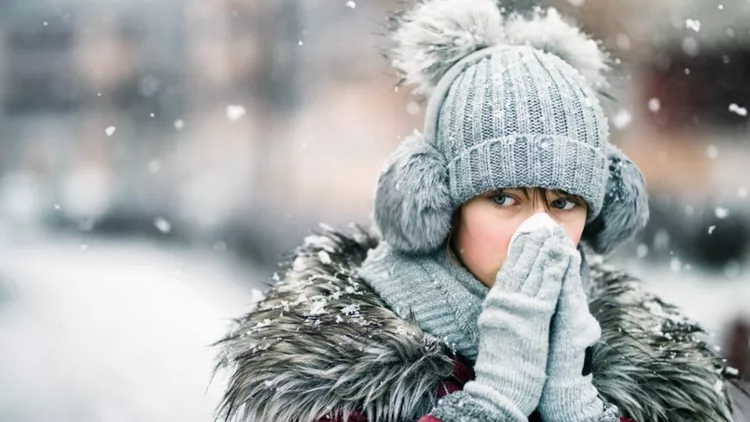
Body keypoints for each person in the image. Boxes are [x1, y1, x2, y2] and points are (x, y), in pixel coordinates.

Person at [213, 1, 740, 421]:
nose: (540, 228)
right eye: (503, 198)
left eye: (563, 202)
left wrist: (577, 407)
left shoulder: (639, 370)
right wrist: (494, 402)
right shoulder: (337, 372)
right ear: (433, 202)